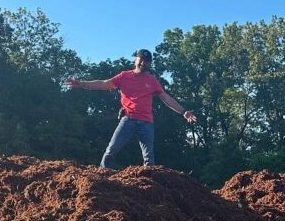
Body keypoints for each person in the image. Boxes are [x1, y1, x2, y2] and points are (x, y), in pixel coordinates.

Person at [66, 49, 196, 168]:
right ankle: (103, 175)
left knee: (149, 158)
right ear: (136, 60)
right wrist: (82, 84)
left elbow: (166, 98)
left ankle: (150, 185)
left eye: (146, 62)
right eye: (141, 60)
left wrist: (183, 112)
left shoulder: (152, 81)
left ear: (150, 64)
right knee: (111, 150)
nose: (143, 63)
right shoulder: (124, 76)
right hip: (128, 119)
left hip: (146, 122)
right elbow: (103, 84)